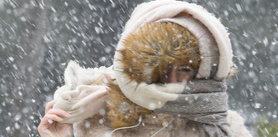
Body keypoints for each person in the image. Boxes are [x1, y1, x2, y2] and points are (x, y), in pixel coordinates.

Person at [38, 0, 252, 136]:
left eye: (185, 68)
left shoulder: (226, 128)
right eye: (161, 67)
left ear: (205, 69)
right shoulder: (102, 120)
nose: (172, 79)